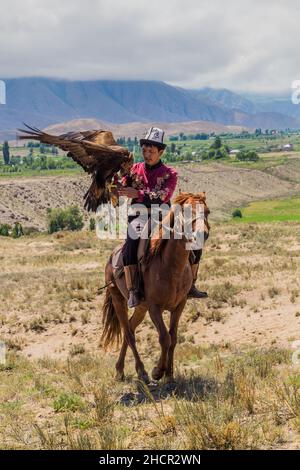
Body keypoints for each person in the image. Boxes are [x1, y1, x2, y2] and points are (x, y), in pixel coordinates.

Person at [118, 127, 207, 308]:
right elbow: (121, 185)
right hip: (139, 216)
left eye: (151, 151)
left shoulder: (170, 174)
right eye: (144, 150)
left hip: (164, 216)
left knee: (193, 240)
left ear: (161, 152)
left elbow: (163, 196)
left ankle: (192, 283)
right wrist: (115, 186)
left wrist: (137, 193)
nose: (147, 154)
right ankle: (133, 289)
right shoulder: (133, 170)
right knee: (131, 242)